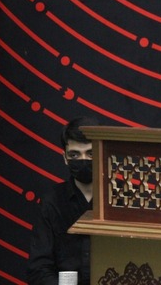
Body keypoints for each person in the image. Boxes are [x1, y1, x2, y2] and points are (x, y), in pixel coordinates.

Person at [27, 116, 99, 285]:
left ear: (102, 153)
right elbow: (38, 268)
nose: (83, 160)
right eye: (75, 154)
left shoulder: (120, 199)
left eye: (90, 153)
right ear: (65, 158)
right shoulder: (52, 202)